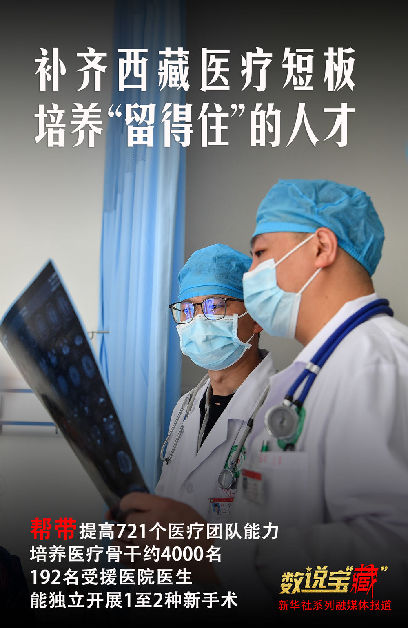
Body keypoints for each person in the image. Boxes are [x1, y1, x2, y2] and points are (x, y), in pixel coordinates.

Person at [112, 180, 408, 615]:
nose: (251, 275)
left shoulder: (377, 364)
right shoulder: (311, 377)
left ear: (322, 247)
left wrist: (212, 553)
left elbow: (391, 565)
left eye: (260, 253)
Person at [156, 243, 274, 521]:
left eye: (215, 305)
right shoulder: (185, 408)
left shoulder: (280, 412)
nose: (198, 321)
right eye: (187, 309)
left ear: (257, 316)